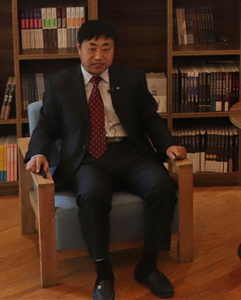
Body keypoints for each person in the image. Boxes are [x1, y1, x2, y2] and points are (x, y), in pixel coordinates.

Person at [25, 19, 187, 300]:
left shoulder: (132, 78)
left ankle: (148, 266)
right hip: (88, 158)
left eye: (106, 48)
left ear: (114, 50)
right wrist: (38, 152)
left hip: (131, 153)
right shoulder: (60, 84)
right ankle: (103, 272)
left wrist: (168, 145)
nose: (99, 55)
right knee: (91, 195)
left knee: (162, 187)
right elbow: (46, 126)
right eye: (92, 48)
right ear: (79, 48)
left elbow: (151, 119)